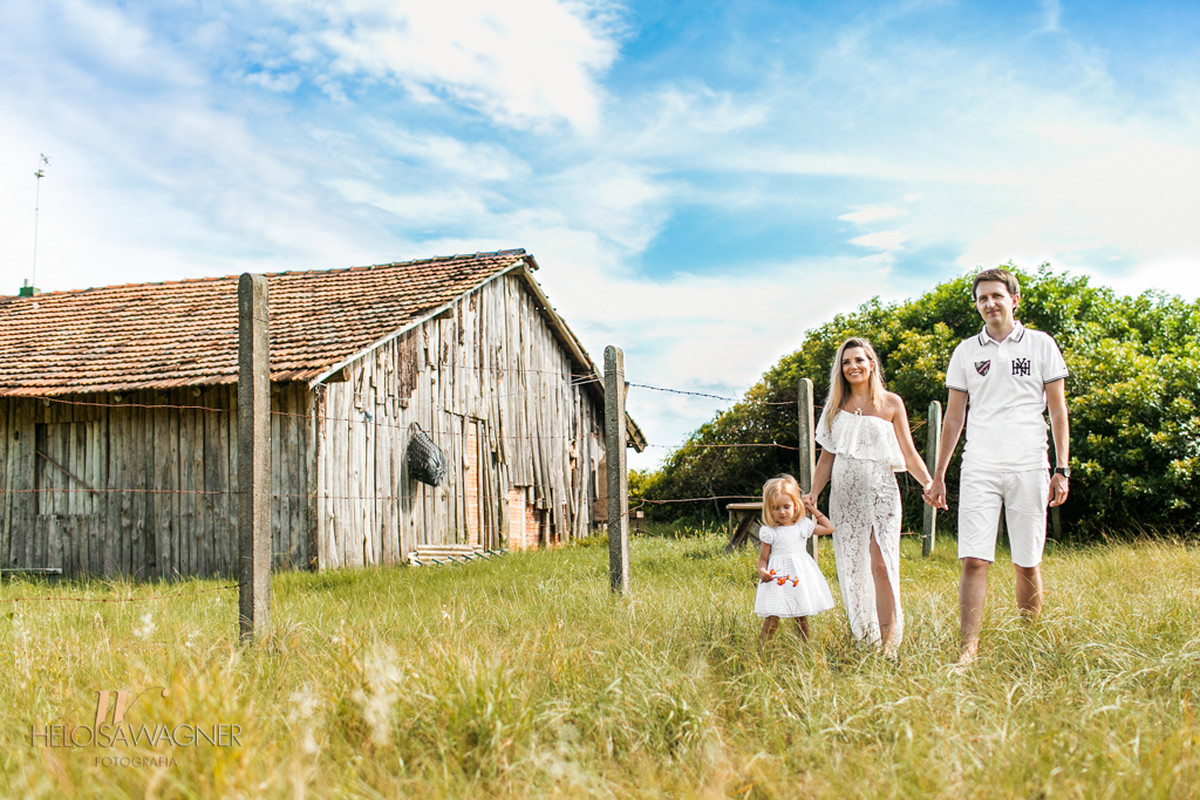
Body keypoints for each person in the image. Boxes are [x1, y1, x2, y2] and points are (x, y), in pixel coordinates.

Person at [926, 268, 1070, 667]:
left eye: (996, 296)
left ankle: (1029, 645)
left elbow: (1058, 411)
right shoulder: (965, 352)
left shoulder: (1041, 345)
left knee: (1027, 559)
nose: (989, 304)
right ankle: (968, 650)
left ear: (1014, 300)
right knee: (974, 559)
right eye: (981, 299)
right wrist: (938, 475)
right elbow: (954, 418)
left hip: (1030, 465)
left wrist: (1062, 468)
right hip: (980, 466)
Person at [804, 337, 934, 654]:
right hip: (845, 497)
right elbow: (827, 458)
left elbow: (909, 452)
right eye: (846, 362)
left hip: (882, 494)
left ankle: (889, 642)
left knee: (881, 563)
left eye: (859, 360)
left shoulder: (891, 403)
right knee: (854, 566)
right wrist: (813, 495)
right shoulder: (835, 408)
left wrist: (930, 484)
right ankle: (866, 637)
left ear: (871, 364)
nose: (853, 367)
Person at [755, 474, 836, 646]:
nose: (782, 512)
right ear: (769, 509)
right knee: (772, 618)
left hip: (798, 578)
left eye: (786, 506)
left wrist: (812, 509)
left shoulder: (802, 526)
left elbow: (829, 528)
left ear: (795, 506)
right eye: (775, 508)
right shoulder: (770, 531)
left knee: (801, 616)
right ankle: (761, 651)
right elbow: (763, 560)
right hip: (777, 579)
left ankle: (806, 648)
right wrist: (762, 572)